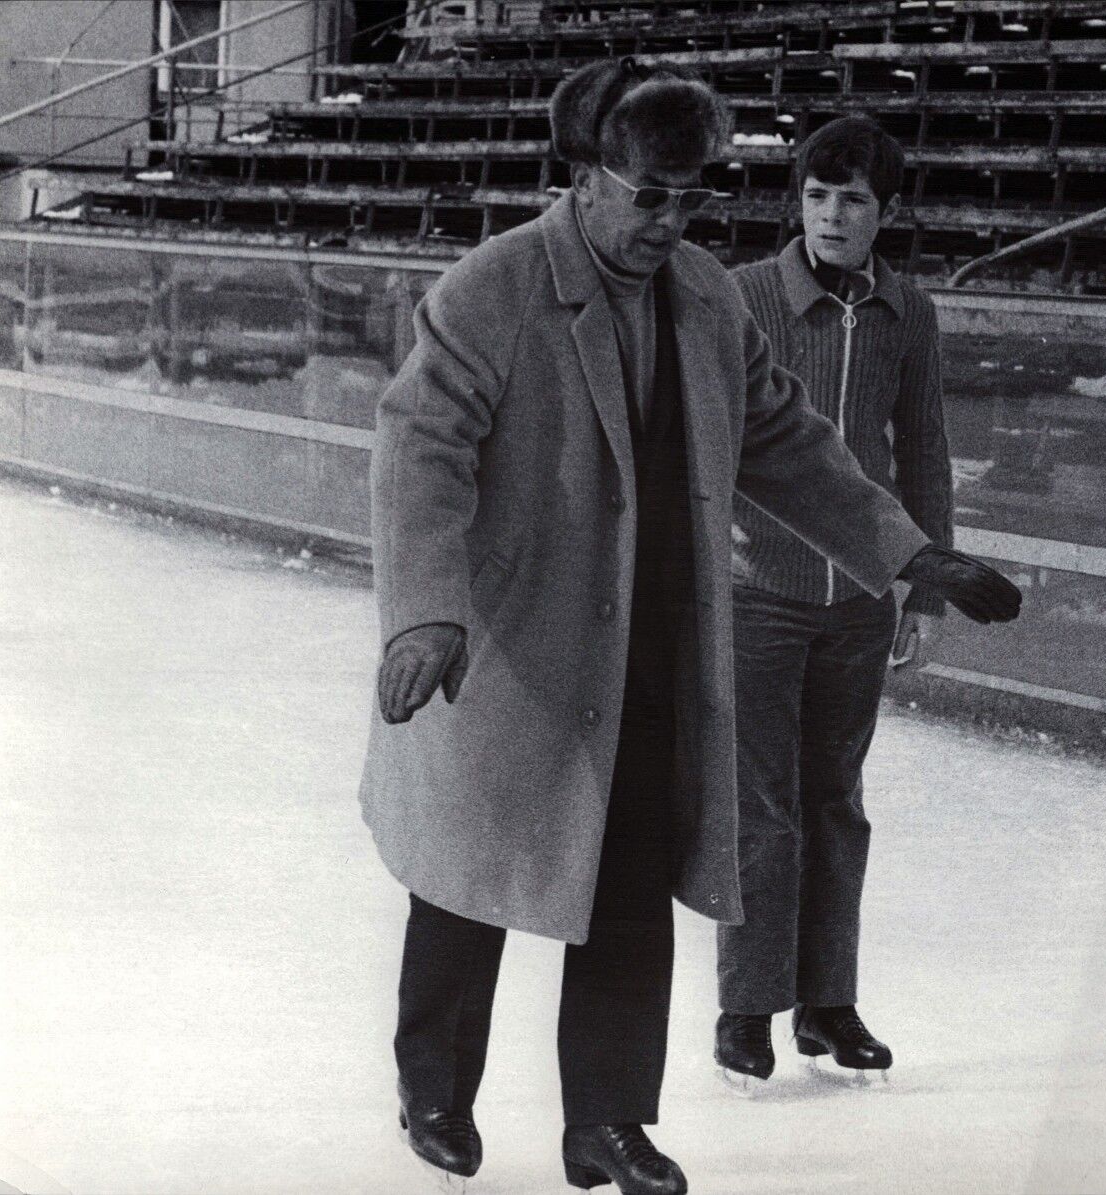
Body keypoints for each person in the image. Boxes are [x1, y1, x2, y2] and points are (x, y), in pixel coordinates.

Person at [359, 58, 1021, 1195]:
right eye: (647, 194)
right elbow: (419, 454)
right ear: (585, 178)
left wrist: (910, 551)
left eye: (689, 196)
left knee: (627, 887)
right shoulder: (494, 288)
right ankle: (435, 1091)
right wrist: (425, 612)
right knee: (469, 879)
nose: (670, 219)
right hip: (510, 644)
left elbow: (789, 442)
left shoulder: (708, 298)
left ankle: (606, 1122)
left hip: (654, 646)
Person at [714, 116, 954, 1088]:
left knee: (835, 802)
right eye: (816, 196)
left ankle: (828, 1004)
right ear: (796, 203)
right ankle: (745, 1007)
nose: (831, 215)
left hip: (859, 600)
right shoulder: (744, 299)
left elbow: (924, 450)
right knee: (760, 807)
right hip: (757, 592)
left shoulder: (910, 314)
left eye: (852, 200)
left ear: (884, 214)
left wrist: (924, 587)